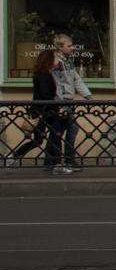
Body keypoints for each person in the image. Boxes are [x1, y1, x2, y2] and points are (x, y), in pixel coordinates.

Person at [31, 36, 84, 172]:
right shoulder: (53, 66)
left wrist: (88, 96)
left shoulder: (68, 62)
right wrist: (59, 105)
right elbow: (54, 88)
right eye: (69, 45)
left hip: (61, 103)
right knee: (65, 130)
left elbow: (76, 80)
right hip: (59, 103)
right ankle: (66, 161)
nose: (72, 48)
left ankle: (50, 162)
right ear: (59, 47)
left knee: (55, 133)